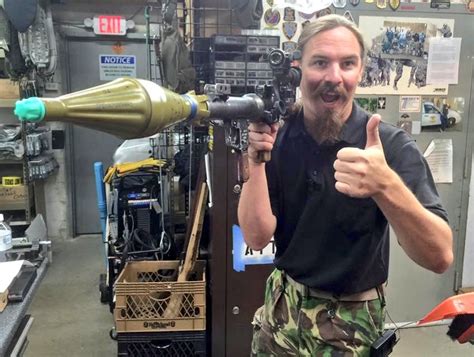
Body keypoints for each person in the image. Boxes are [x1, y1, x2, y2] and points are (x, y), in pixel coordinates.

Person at [238, 14, 453, 356]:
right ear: (299, 68)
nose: (333, 77)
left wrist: (385, 186)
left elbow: (439, 256)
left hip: (350, 322)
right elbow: (256, 236)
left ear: (361, 71)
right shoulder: (279, 134)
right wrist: (255, 159)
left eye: (347, 64)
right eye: (320, 62)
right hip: (281, 308)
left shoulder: (388, 146)